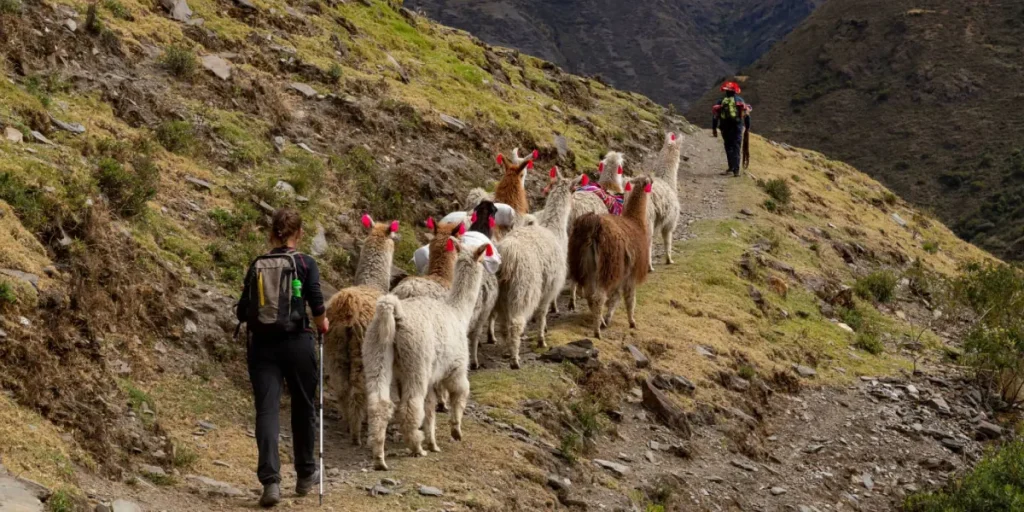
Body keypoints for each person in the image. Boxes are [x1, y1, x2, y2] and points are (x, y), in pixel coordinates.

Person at [236, 208, 329, 508]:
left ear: (272, 233)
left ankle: (271, 482)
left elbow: (241, 310)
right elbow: (316, 302)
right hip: (298, 343)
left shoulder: (257, 264)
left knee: (267, 411)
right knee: (303, 406)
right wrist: (323, 323)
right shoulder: (305, 262)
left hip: (263, 346)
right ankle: (305, 476)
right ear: (299, 234)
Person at [712, 81, 752, 177]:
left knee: (728, 146)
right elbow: (747, 116)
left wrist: (714, 128)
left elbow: (715, 116)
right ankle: (736, 170)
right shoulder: (740, 100)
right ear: (735, 91)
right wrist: (747, 127)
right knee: (736, 147)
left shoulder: (721, 101)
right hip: (737, 127)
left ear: (725, 91)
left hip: (725, 127)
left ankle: (731, 167)